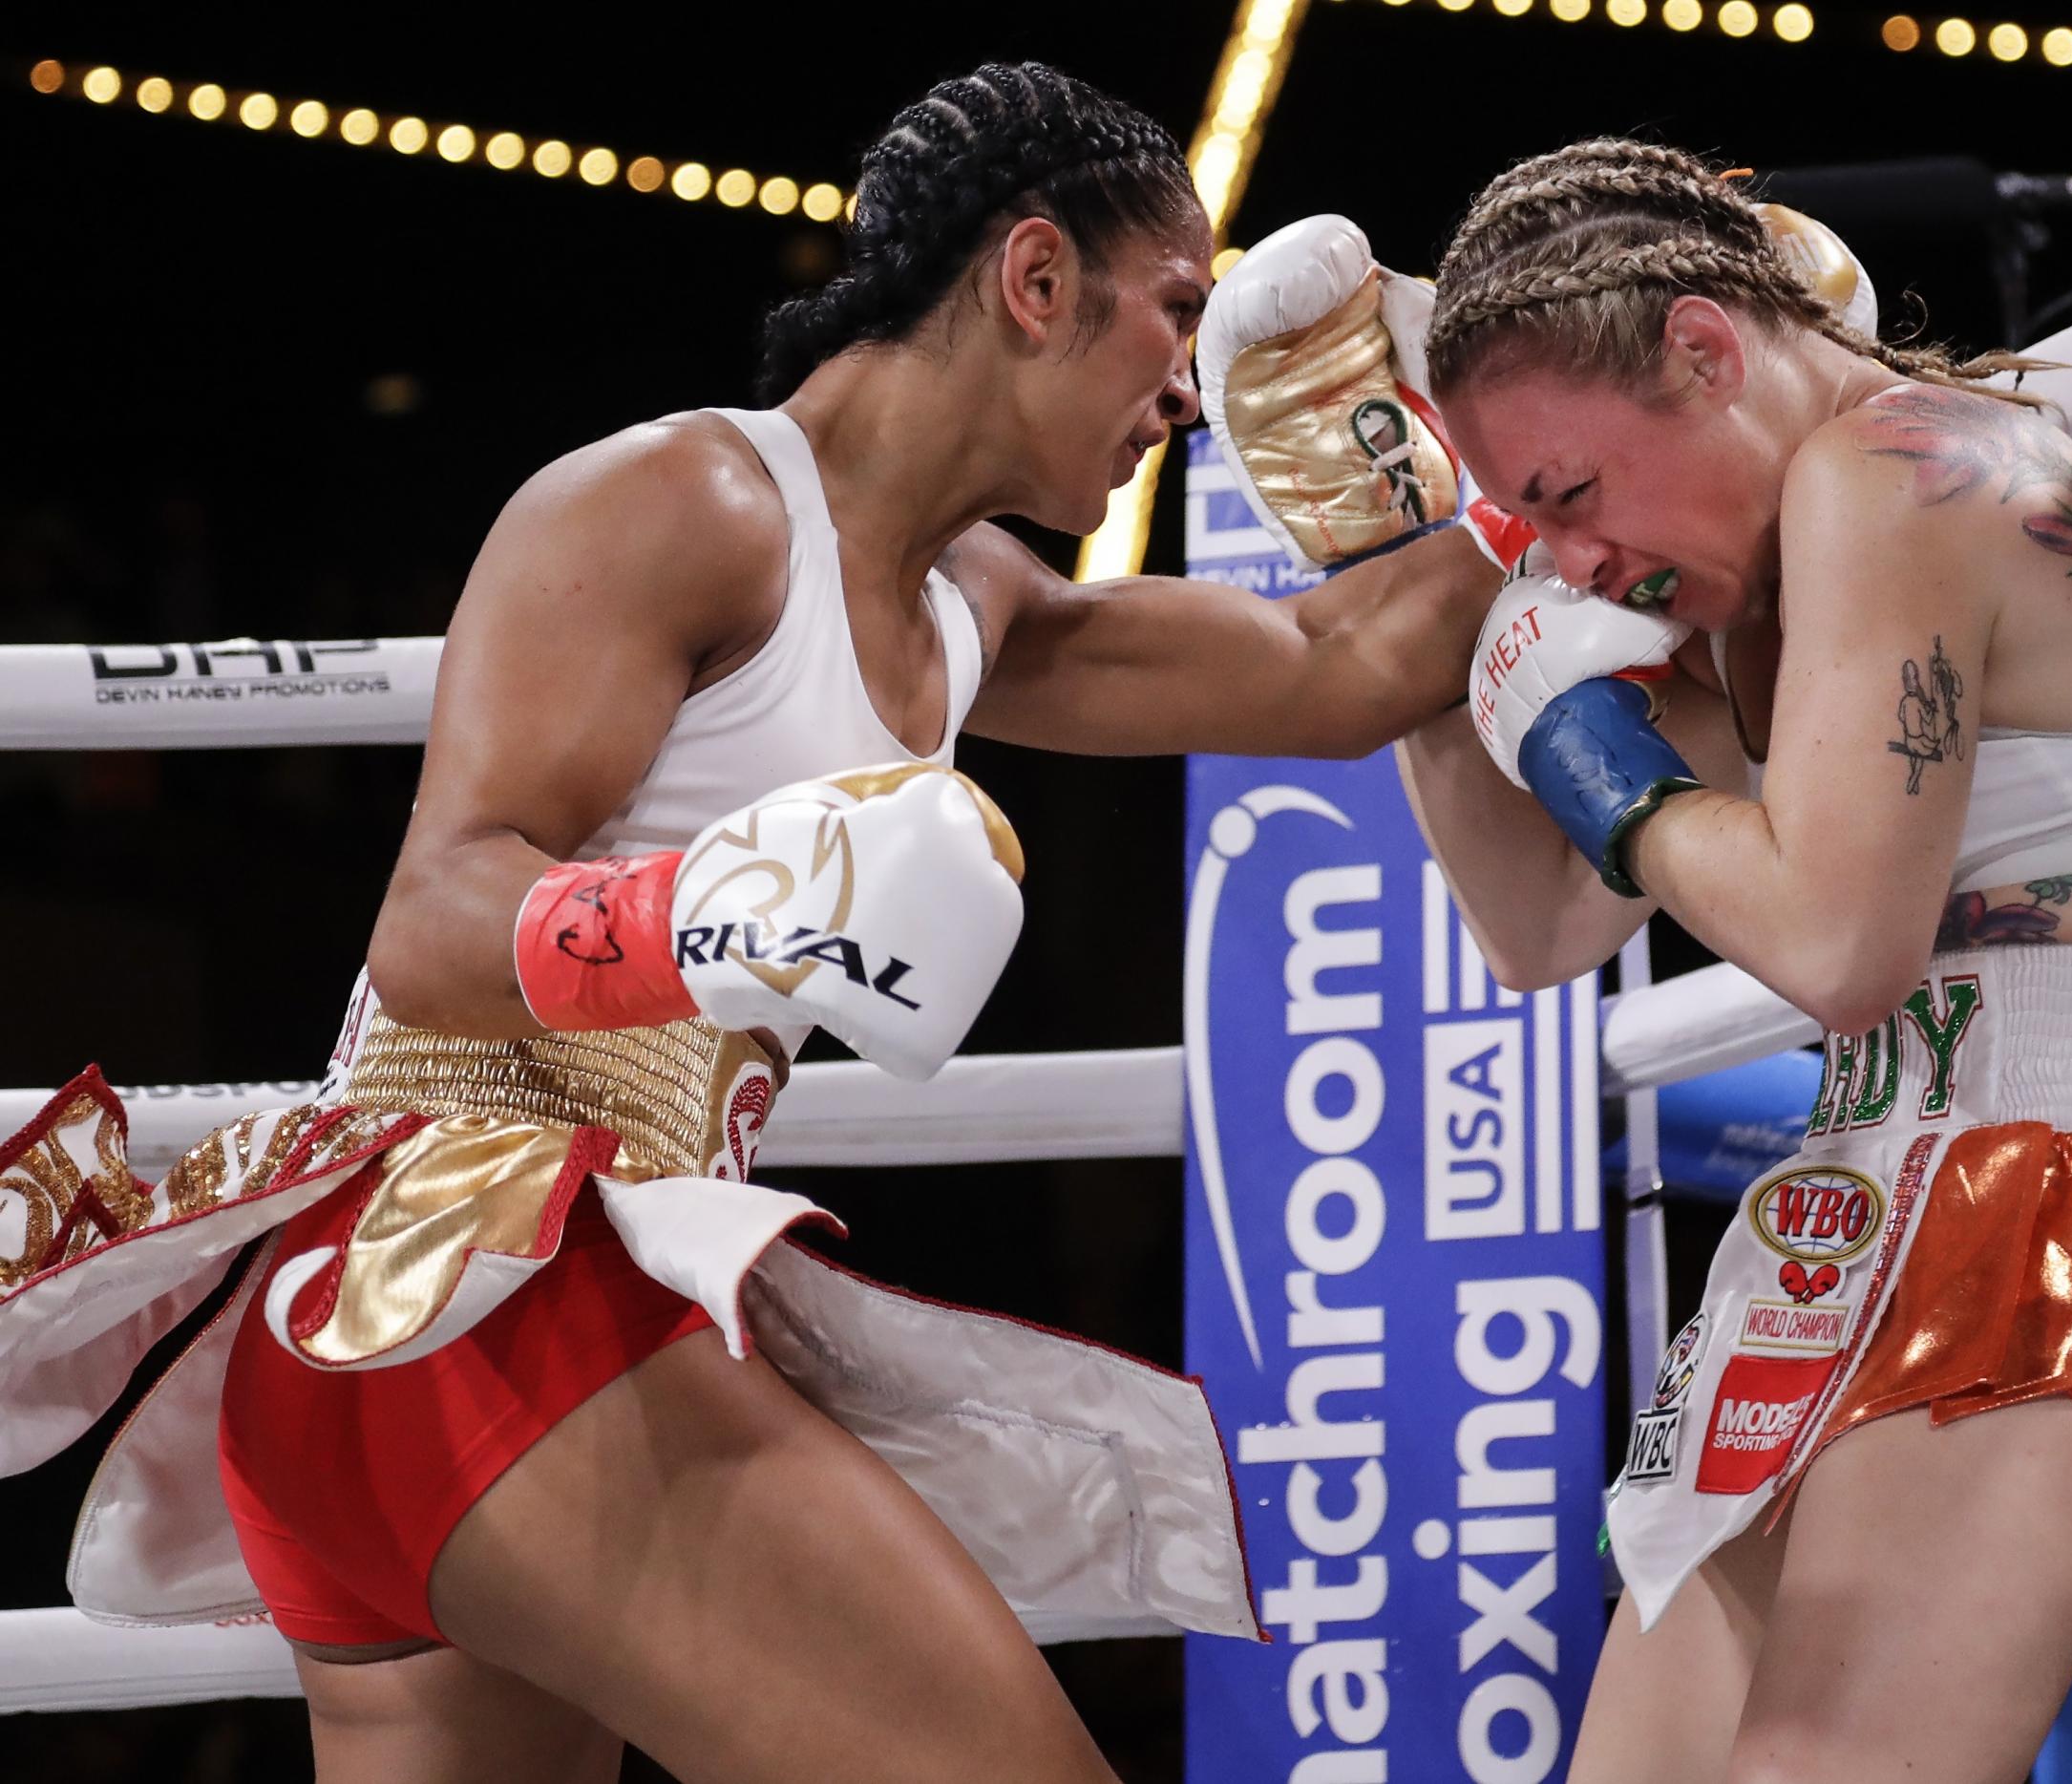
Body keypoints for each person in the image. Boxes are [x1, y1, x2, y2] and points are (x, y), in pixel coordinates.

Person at [0, 62, 1503, 1784]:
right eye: (1173, 311)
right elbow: (430, 920)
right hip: (475, 1281)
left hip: (432, 1366)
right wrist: (705, 917)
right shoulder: (683, 500)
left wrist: (1499, 445)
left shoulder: (973, 607)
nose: (1184, 386)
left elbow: (1336, 671)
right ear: (1033, 279)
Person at [1377, 137, 2072, 1784]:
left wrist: (1584, 744)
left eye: (1566, 497)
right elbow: (1537, 926)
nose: (1568, 559)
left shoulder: (1906, 469)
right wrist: (1427, 609)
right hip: (1854, 1229)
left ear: (1707, 351)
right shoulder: (1764, 601)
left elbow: (1840, 945)